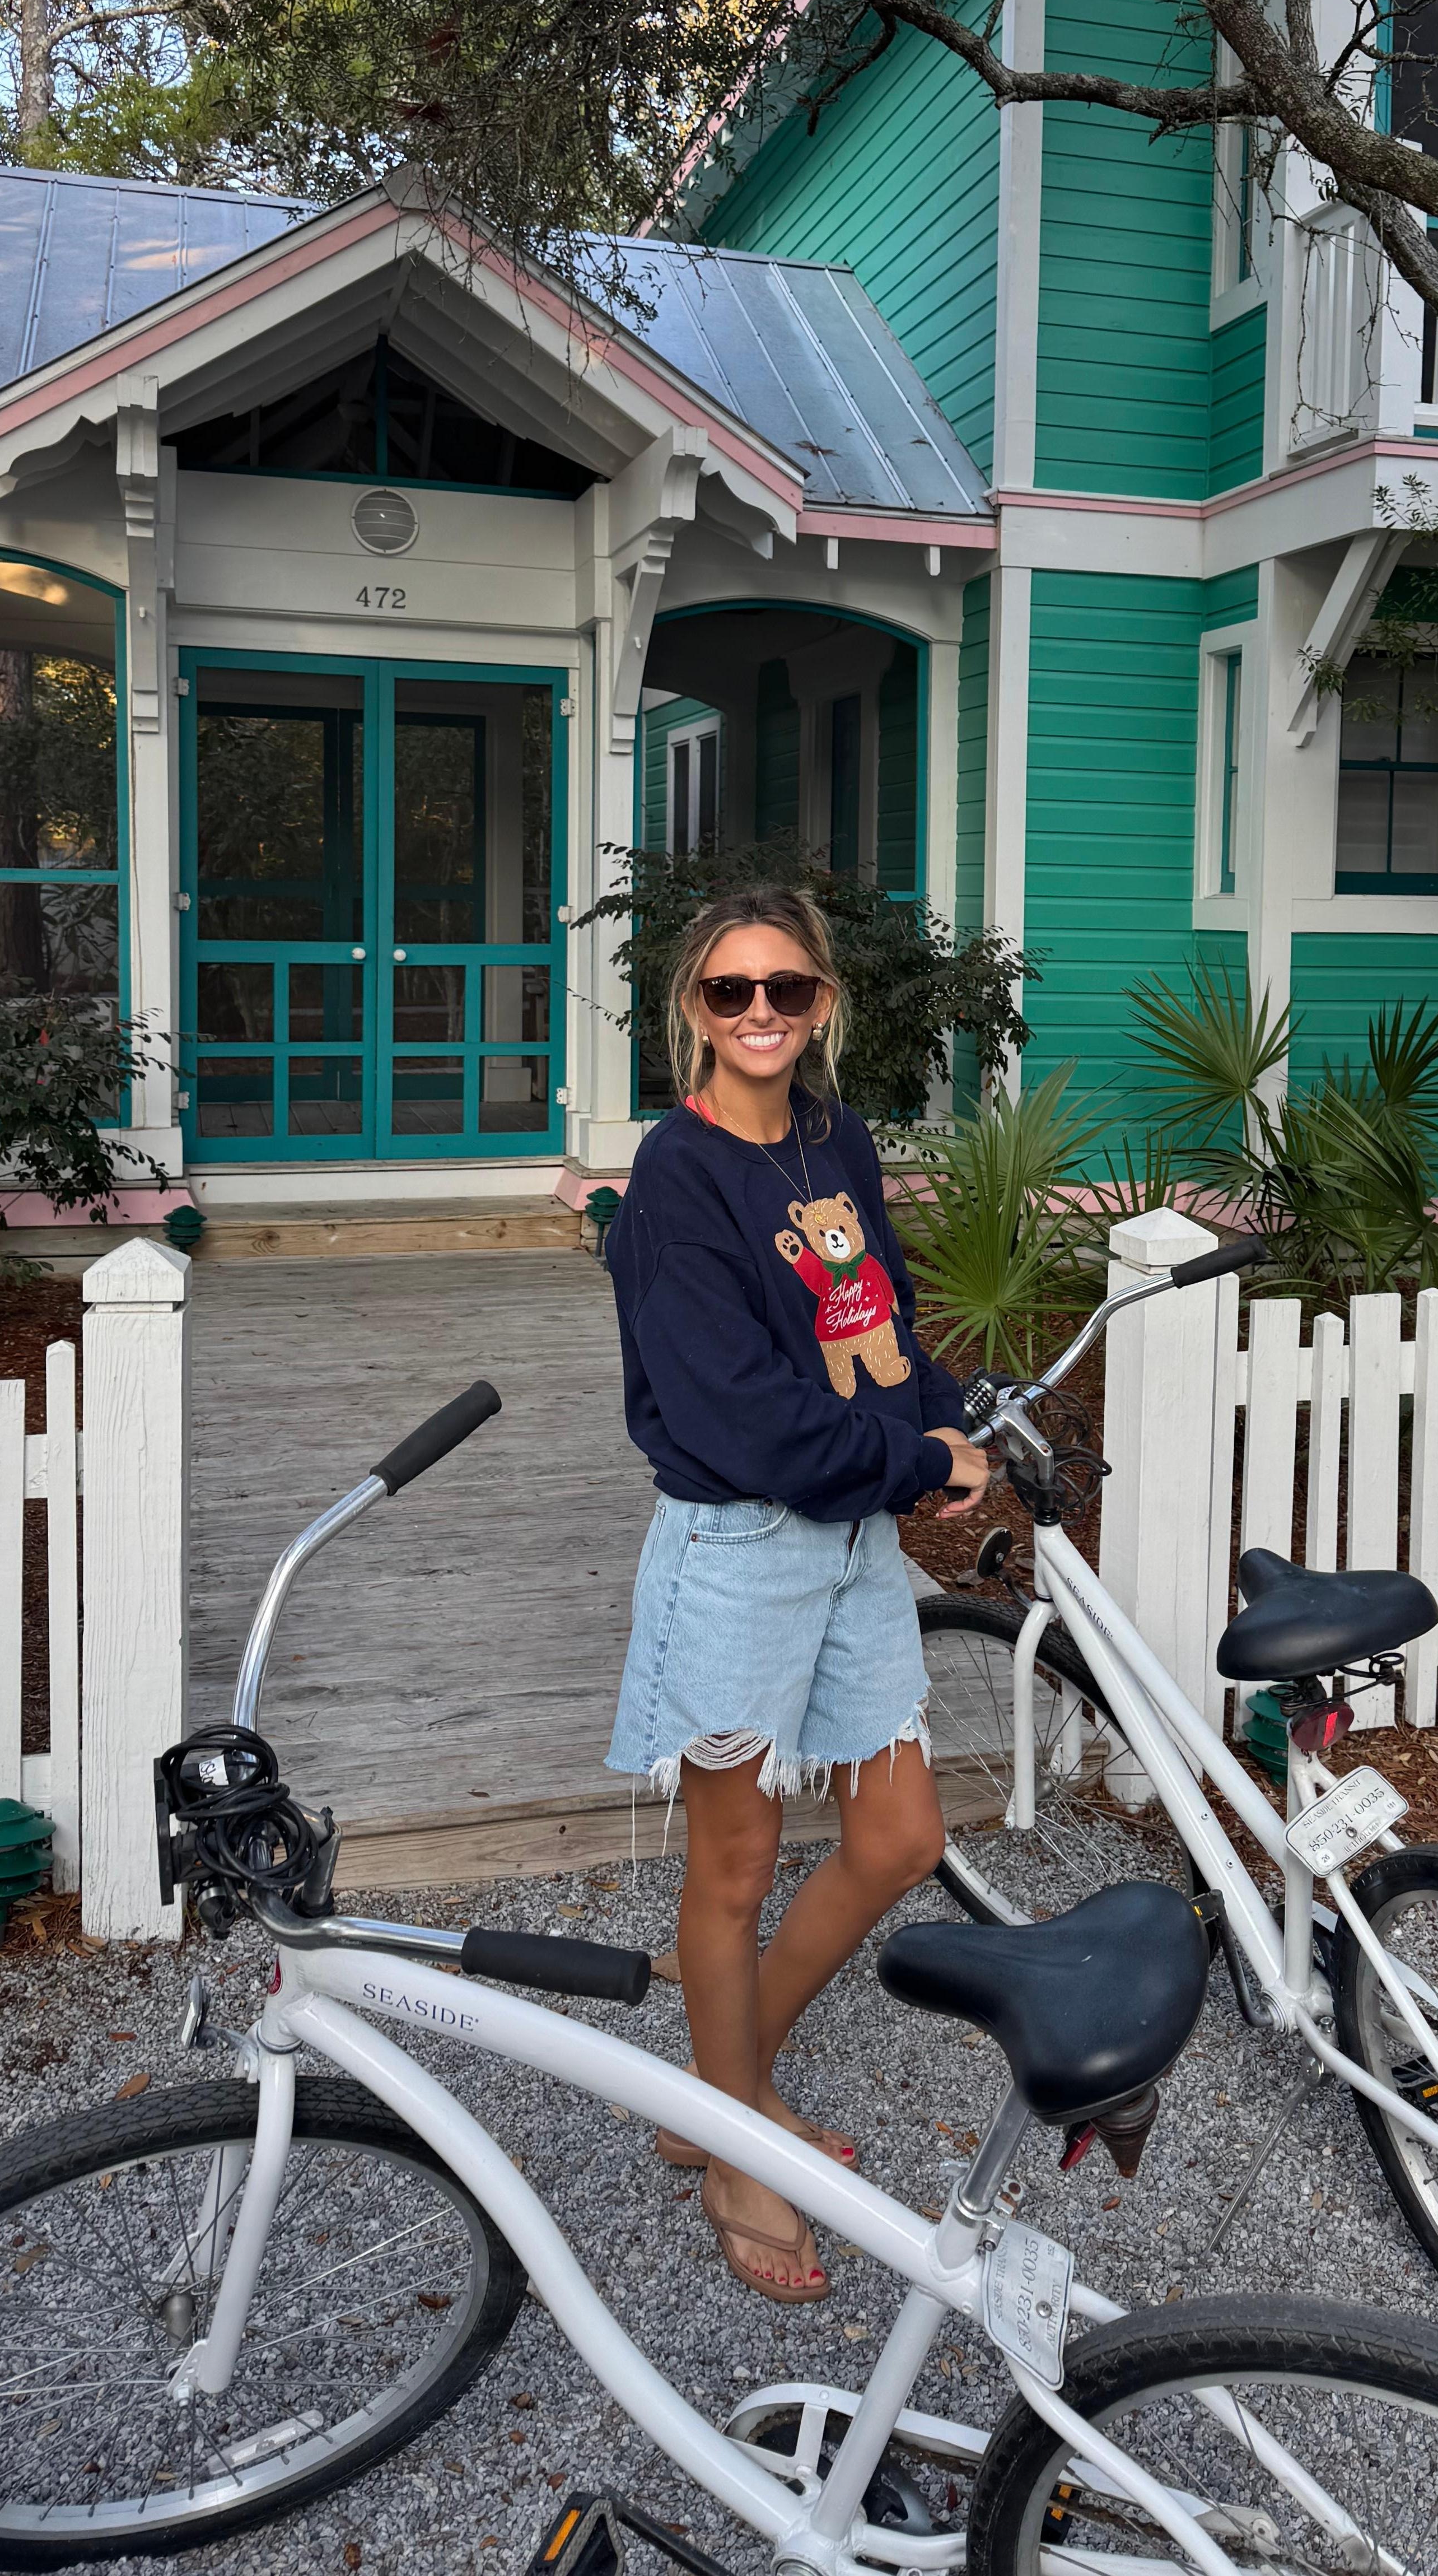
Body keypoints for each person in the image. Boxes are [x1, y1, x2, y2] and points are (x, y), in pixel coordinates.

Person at [604, 886, 993, 2302]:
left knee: (898, 1838)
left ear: (824, 1002)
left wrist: (946, 1416)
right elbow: (743, 1412)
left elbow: (875, 1314)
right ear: (693, 1012)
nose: (760, 1012)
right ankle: (733, 2149)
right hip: (740, 1548)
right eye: (731, 991)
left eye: (787, 989)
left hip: (852, 1542)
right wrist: (914, 1461)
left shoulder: (836, 1139)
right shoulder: (676, 1176)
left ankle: (719, 2094)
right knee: (735, 1869)